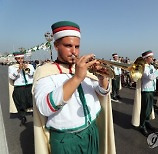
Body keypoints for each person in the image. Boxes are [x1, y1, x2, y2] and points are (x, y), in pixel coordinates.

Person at [33, 21, 116, 154]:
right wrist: (77, 78)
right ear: (56, 46)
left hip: (91, 131)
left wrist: (102, 77)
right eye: (68, 46)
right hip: (66, 140)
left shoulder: (84, 68)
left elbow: (102, 92)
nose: (74, 51)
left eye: (77, 46)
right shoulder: (45, 72)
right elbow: (45, 107)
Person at [131, 50, 158, 136]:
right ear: (146, 58)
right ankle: (142, 125)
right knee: (145, 109)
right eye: (151, 57)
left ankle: (147, 121)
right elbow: (150, 77)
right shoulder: (143, 67)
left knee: (149, 109)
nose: (153, 59)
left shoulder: (151, 66)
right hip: (146, 90)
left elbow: (157, 76)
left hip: (152, 89)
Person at [8, 51, 35, 125]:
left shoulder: (30, 66)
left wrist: (26, 69)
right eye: (19, 58)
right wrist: (18, 70)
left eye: (22, 58)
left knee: (32, 101)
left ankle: (35, 114)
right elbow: (12, 77)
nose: (21, 60)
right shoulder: (12, 67)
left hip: (29, 85)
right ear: (16, 59)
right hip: (20, 87)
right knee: (21, 102)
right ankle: (23, 117)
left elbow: (32, 74)